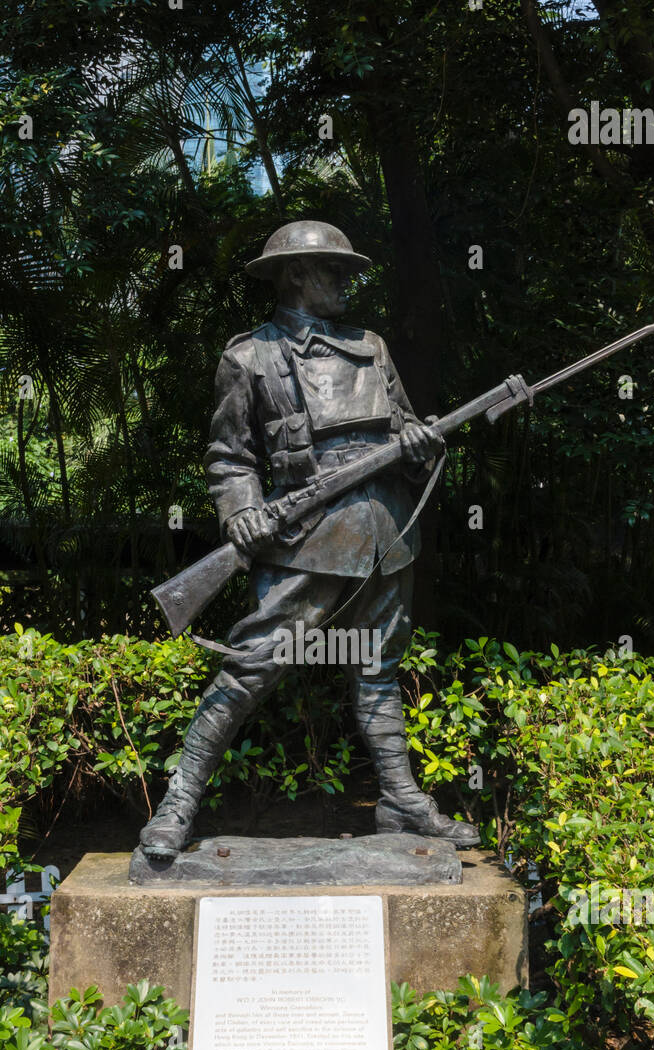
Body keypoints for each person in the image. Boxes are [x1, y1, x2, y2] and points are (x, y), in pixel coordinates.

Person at [139, 220, 477, 859]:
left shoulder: (373, 347)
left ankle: (401, 801)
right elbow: (229, 455)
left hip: (385, 529)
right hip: (306, 535)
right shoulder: (249, 357)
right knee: (252, 667)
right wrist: (241, 511)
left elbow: (404, 432)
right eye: (334, 270)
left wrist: (417, 446)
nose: (348, 281)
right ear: (295, 274)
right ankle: (179, 802)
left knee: (379, 668)